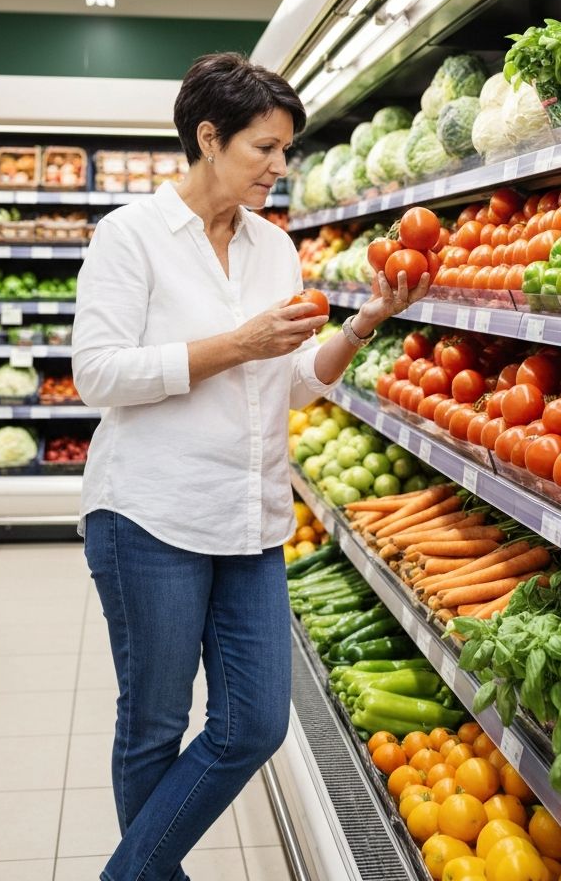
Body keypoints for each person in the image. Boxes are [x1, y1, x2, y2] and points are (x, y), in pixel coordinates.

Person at [72, 51, 431, 881]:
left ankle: (128, 874)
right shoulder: (131, 237)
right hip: (149, 515)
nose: (280, 166)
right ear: (208, 137)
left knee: (255, 721)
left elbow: (295, 383)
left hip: (250, 517)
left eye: (286, 150)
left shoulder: (275, 248)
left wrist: (367, 319)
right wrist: (236, 345)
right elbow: (98, 374)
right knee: (156, 724)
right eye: (265, 148)